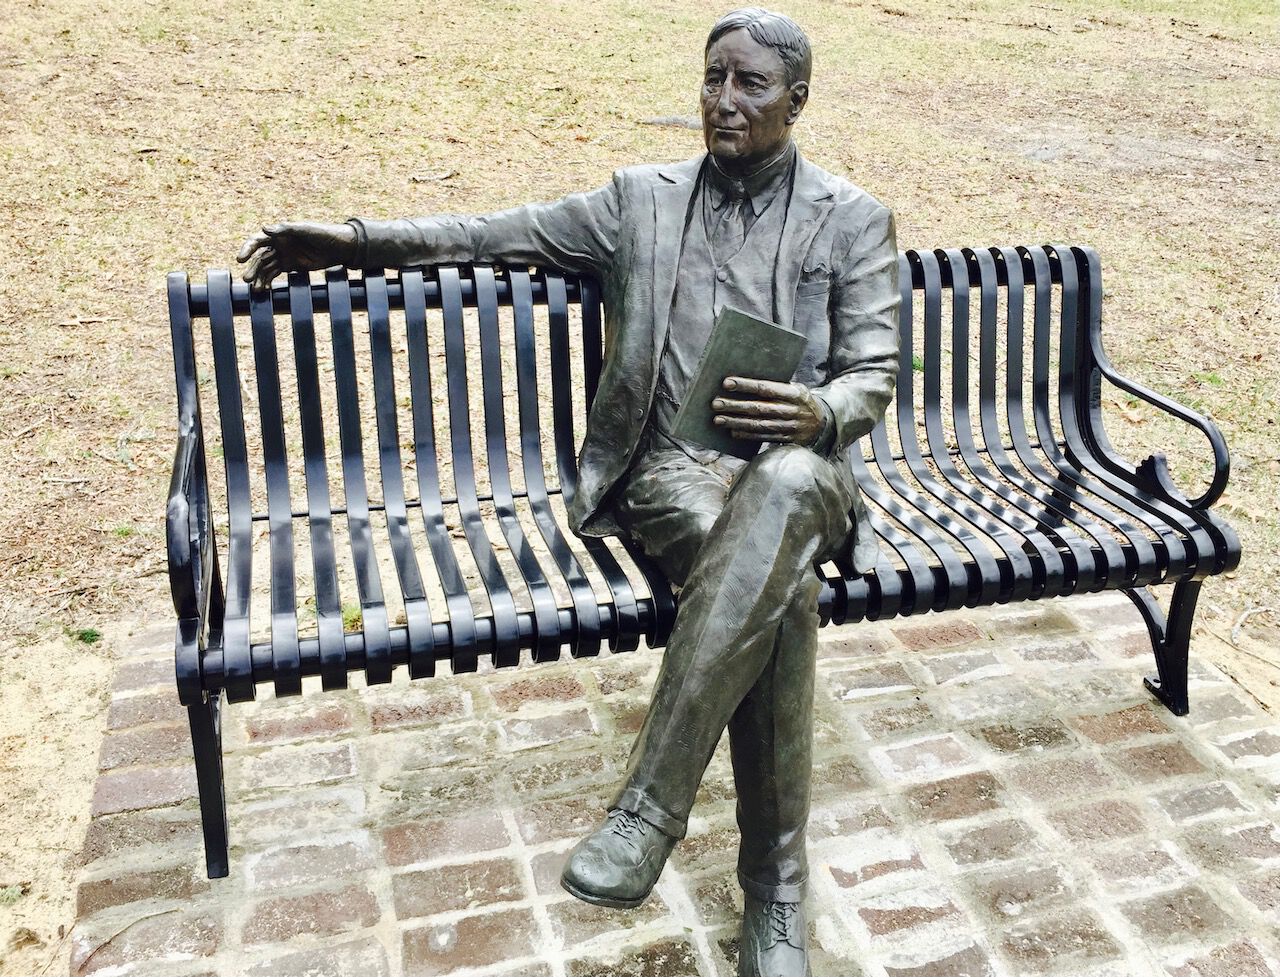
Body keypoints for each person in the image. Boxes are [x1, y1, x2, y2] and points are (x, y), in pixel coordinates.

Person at [238, 9, 898, 975]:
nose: (724, 100)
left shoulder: (851, 217)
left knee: (789, 485)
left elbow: (873, 372)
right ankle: (777, 893)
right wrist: (356, 239)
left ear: (797, 100)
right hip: (673, 475)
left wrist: (816, 415)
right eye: (713, 77)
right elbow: (493, 233)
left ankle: (648, 810)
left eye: (750, 84)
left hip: (801, 470)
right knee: (782, 592)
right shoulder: (641, 201)